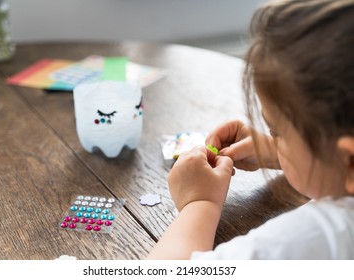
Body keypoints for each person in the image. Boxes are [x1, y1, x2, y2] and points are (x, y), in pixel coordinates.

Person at [147, 0, 354, 259]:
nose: (274, 139)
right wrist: (276, 151)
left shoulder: (319, 237)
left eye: (278, 133)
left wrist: (200, 204)